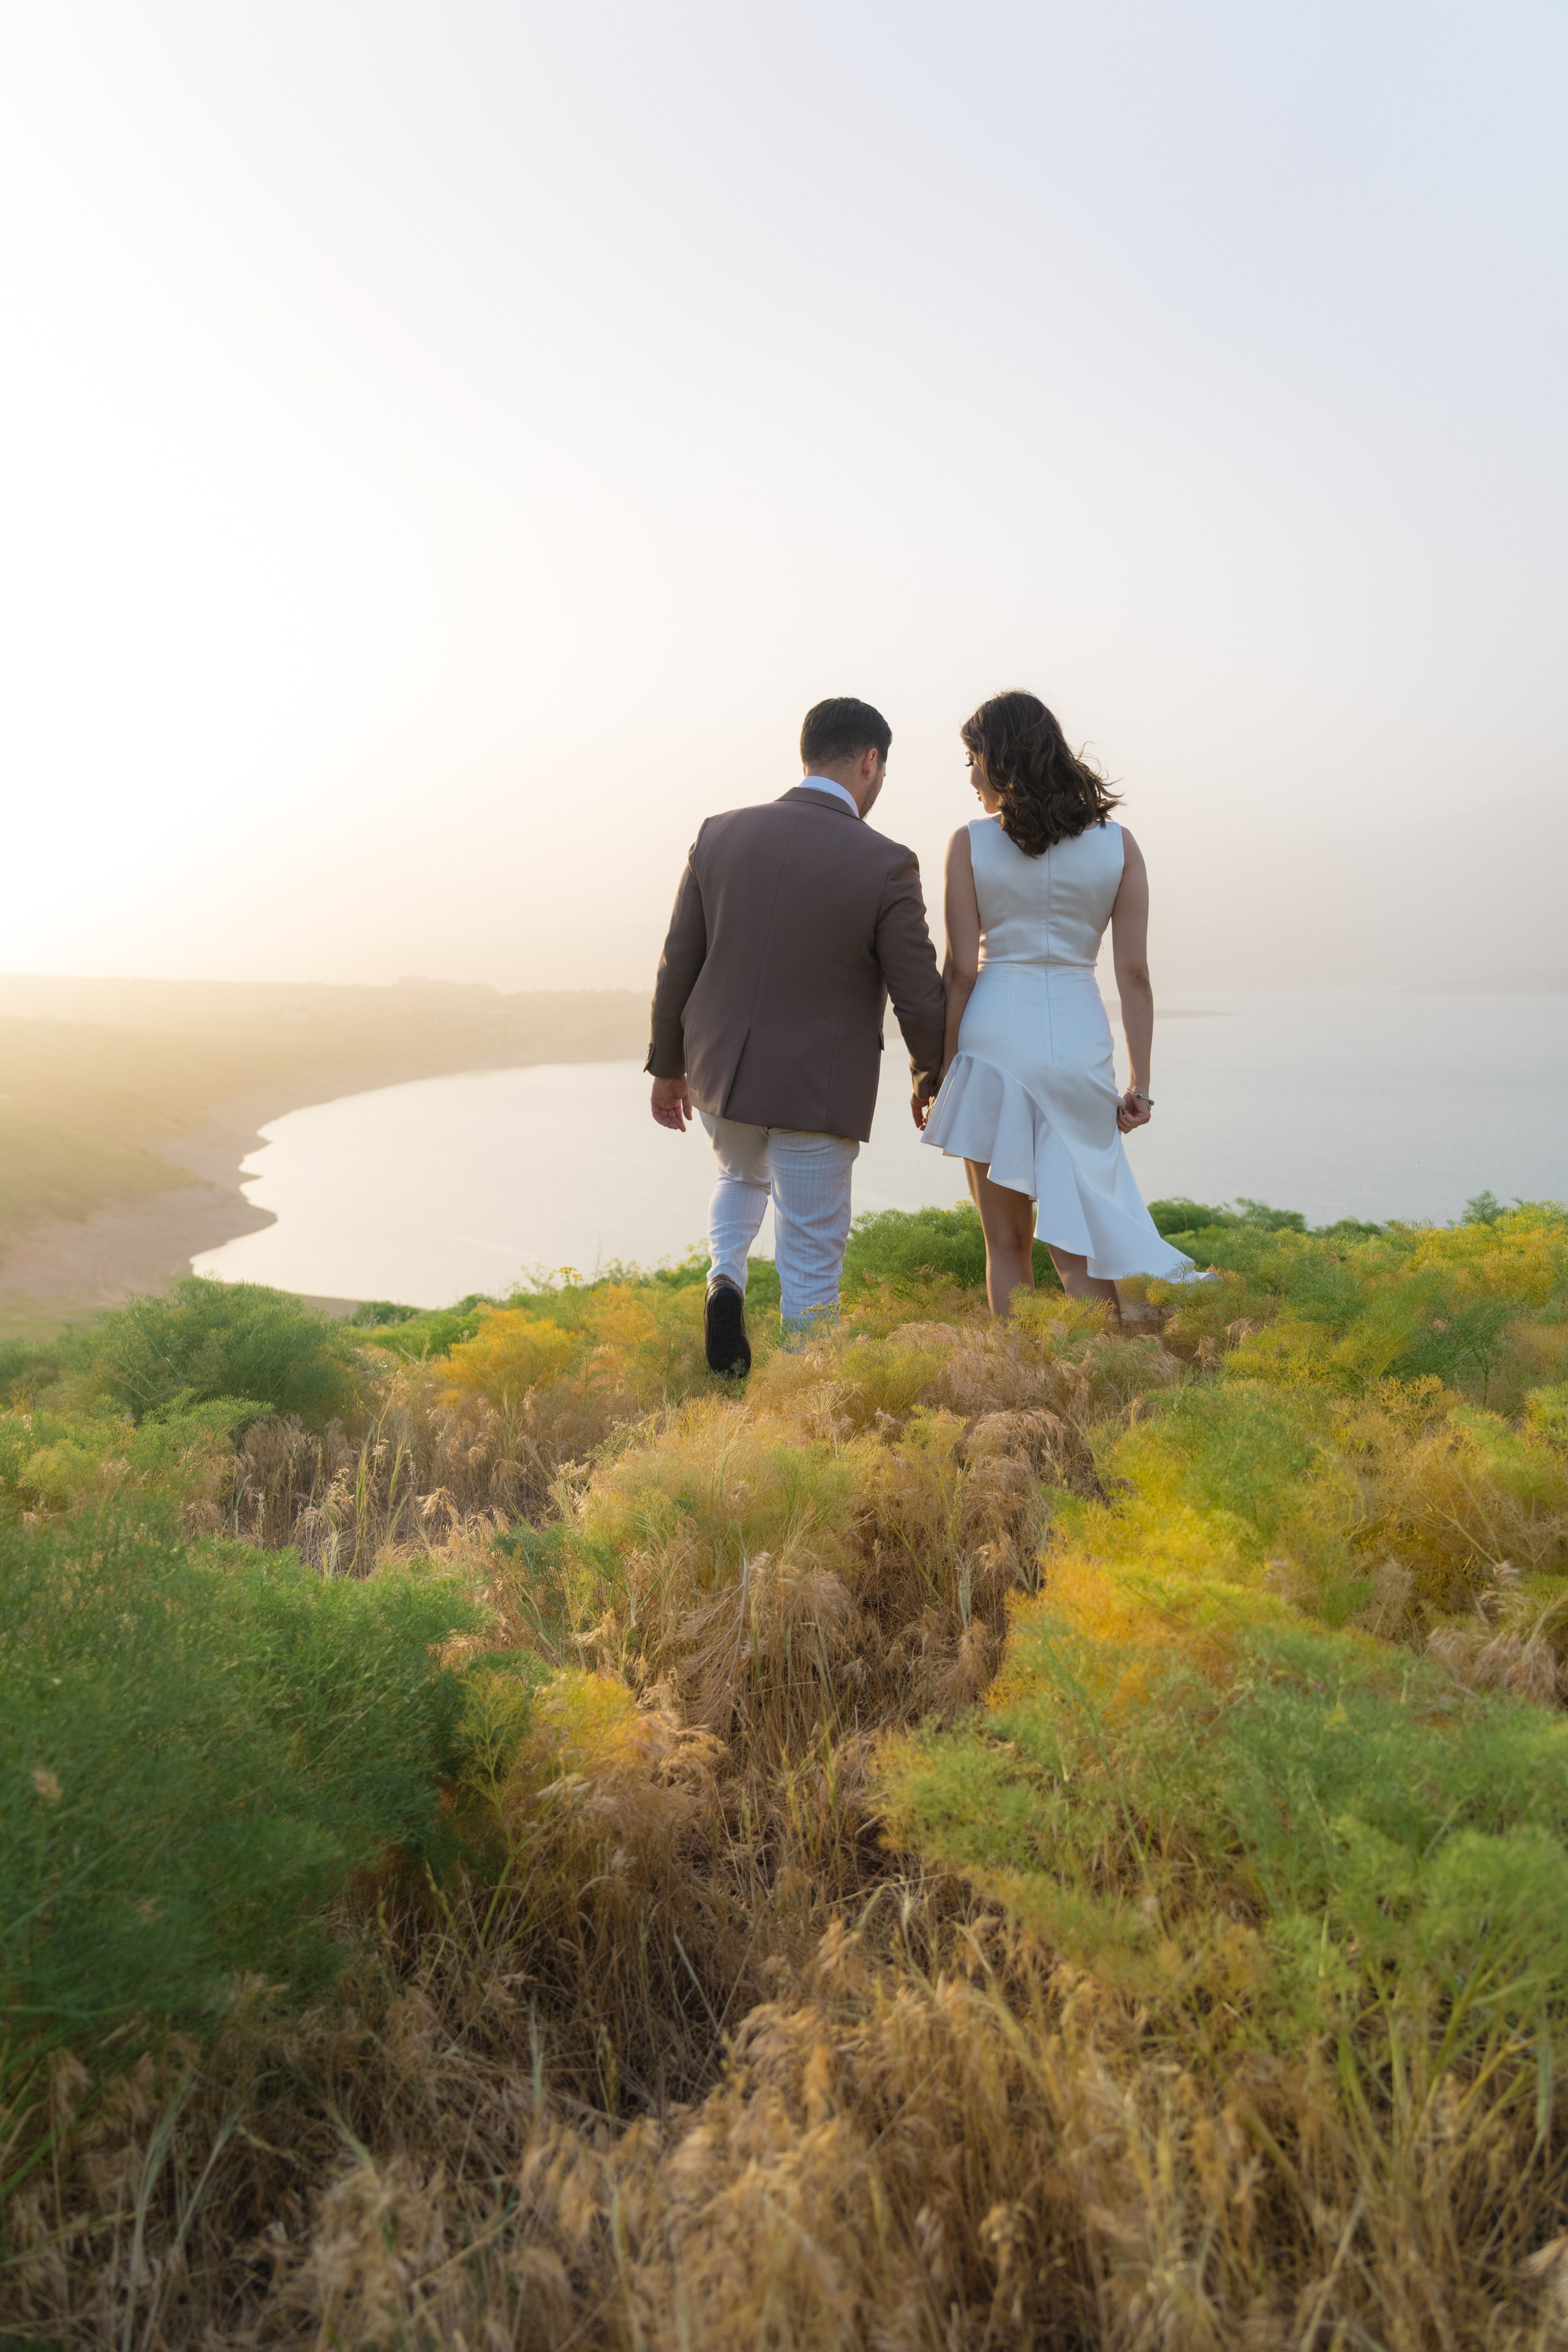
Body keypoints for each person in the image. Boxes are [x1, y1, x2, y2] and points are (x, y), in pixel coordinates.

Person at [648, 696, 946, 1373]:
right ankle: (804, 1400)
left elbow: (678, 960)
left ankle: (725, 1276)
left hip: (721, 1077)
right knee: (811, 1260)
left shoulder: (719, 834)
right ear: (870, 761)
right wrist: (931, 1077)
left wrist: (668, 1067)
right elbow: (917, 995)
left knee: (738, 1174)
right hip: (818, 1088)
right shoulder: (887, 863)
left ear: (807, 753)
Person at [918, 689, 1195, 1317]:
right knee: (1079, 1244)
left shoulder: (969, 843)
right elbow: (1133, 974)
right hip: (1079, 1043)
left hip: (992, 1043)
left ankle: (1020, 1371)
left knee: (1005, 1243)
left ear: (998, 759)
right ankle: (1105, 1365)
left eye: (973, 760)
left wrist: (942, 1071)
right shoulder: (1119, 845)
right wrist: (1141, 1084)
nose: (971, 777)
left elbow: (959, 972)